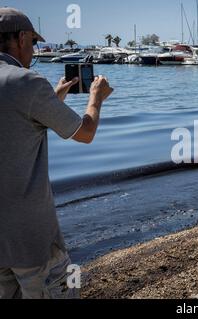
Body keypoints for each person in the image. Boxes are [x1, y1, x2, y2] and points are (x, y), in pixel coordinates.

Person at [0, 8, 113, 299]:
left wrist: (52, 100)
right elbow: (85, 133)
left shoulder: (28, 88)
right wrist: (95, 98)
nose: (34, 50)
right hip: (32, 239)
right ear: (22, 38)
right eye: (34, 43)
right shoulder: (27, 81)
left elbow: (16, 126)